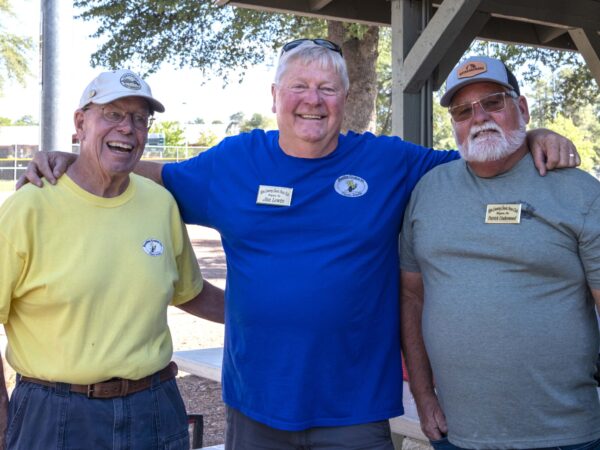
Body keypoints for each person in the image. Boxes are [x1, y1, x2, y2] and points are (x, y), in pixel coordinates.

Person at [20, 41, 580, 450]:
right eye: (300, 87)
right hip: (256, 406)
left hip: (355, 410)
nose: (313, 100)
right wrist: (76, 159)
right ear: (276, 96)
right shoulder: (234, 162)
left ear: (344, 96)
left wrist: (532, 135)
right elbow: (153, 172)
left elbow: (479, 151)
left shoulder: (389, 162)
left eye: (327, 88)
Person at [0, 69, 224, 450]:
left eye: (139, 118)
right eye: (113, 114)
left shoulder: (160, 204)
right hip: (54, 412)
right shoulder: (29, 207)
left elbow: (190, 291)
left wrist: (274, 314)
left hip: (153, 407)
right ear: (80, 123)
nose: (128, 128)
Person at [400, 55, 600, 450]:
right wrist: (423, 397)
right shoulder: (428, 189)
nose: (479, 118)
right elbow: (411, 297)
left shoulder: (578, 191)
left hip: (566, 436)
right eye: (463, 111)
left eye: (493, 102)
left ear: (521, 108)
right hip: (456, 434)